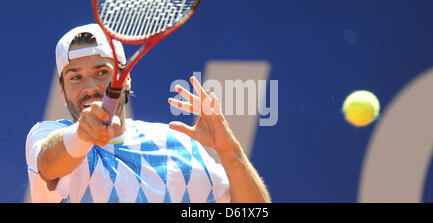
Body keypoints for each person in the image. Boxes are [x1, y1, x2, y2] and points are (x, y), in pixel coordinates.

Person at [25, 24, 271, 203]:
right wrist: (83, 134)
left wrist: (230, 152)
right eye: (75, 77)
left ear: (126, 78)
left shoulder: (180, 148)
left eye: (101, 72)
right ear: (62, 89)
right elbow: (48, 164)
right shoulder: (45, 137)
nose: (90, 86)